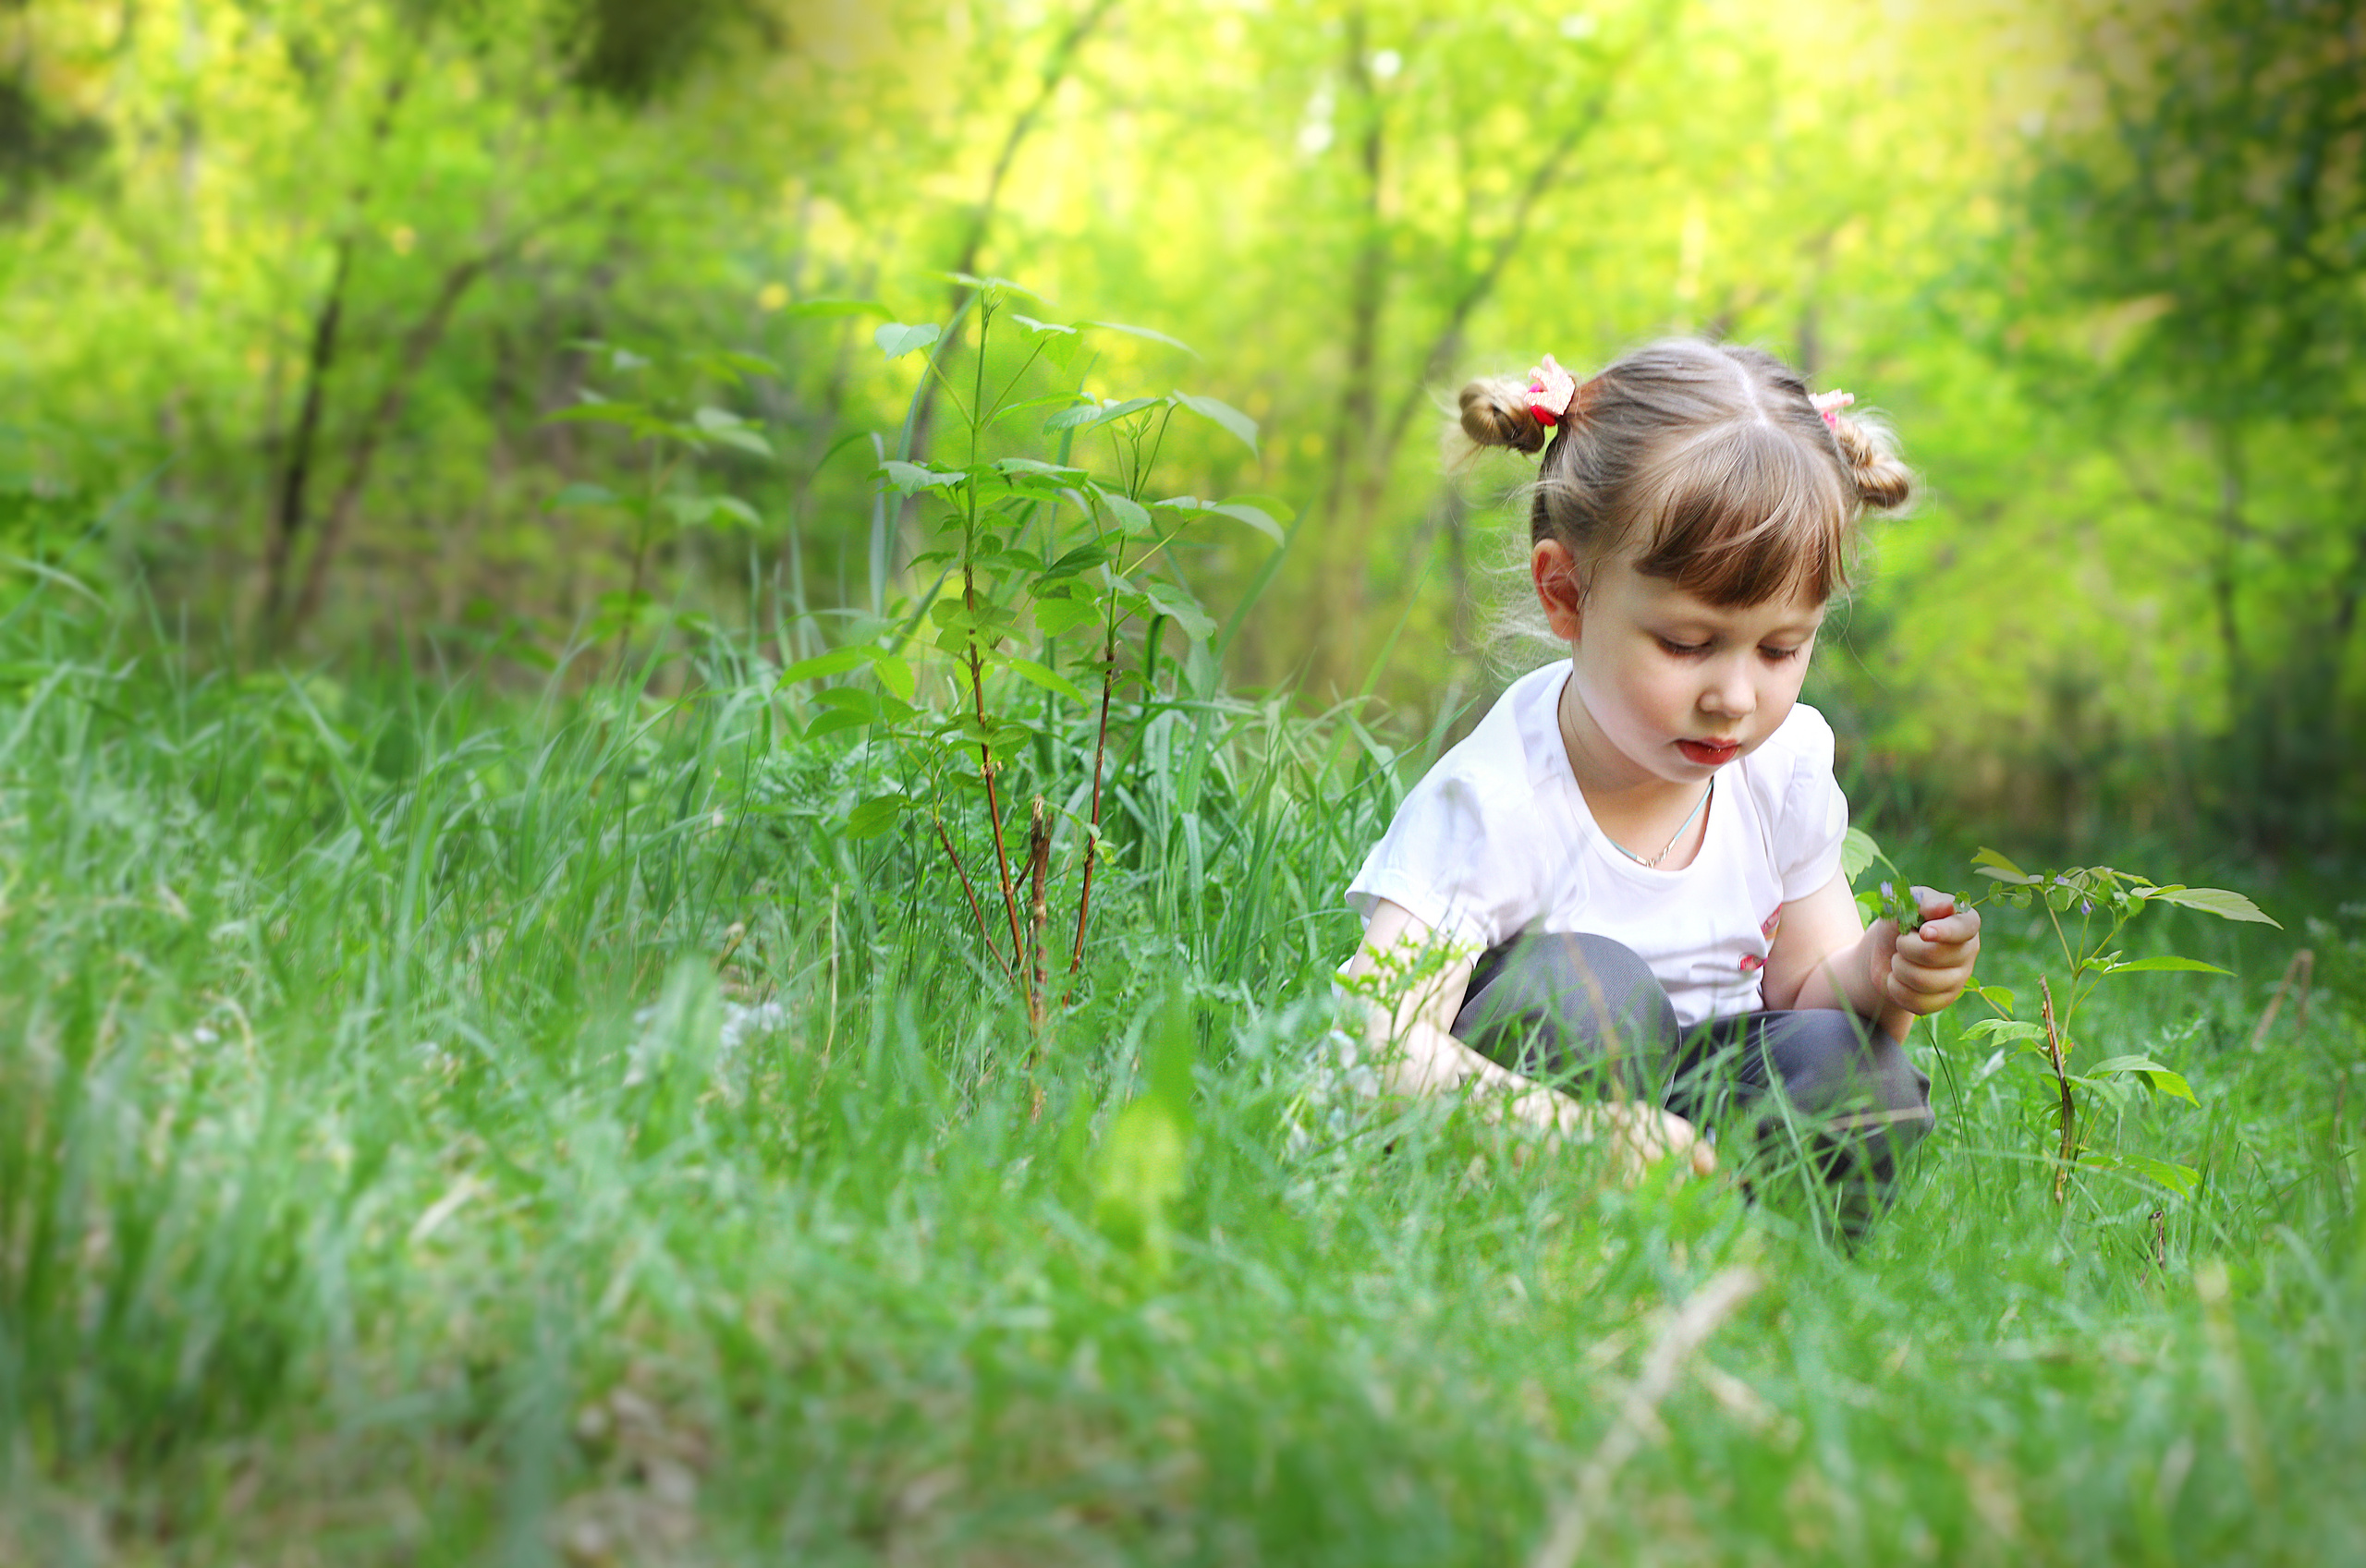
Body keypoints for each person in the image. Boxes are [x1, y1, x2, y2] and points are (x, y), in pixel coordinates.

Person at [1341, 338, 1981, 1215]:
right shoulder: (1497, 799)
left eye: (1781, 648)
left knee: (1853, 1069)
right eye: (1686, 644)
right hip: (1516, 1131)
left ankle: (1767, 1274)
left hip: (1693, 1131)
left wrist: (1882, 972)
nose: (1734, 696)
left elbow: (1804, 995)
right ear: (1567, 594)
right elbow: (1373, 1045)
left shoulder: (1782, 763)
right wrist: (1570, 1134)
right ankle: (1542, 1262)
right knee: (1593, 999)